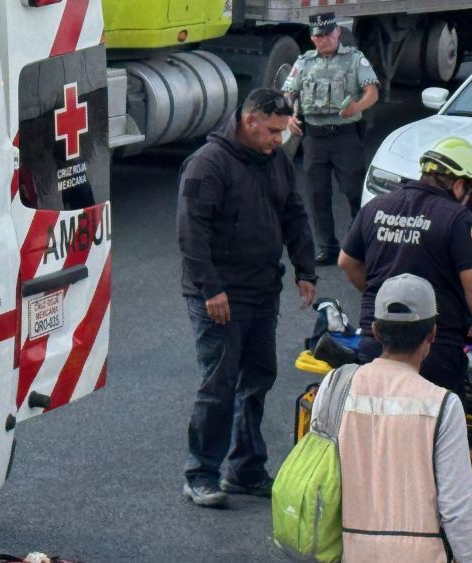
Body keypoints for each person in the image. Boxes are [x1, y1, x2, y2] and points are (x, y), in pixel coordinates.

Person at [177, 88, 318, 507]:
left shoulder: (275, 161)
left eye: (282, 131)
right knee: (219, 384)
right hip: (219, 294)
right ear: (250, 120)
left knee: (257, 379)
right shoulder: (208, 164)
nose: (279, 139)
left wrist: (305, 269)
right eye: (273, 131)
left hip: (262, 289)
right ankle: (200, 474)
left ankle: (245, 469)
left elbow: (293, 212)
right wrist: (211, 289)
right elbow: (191, 233)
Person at [311, 273, 472, 563]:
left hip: (345, 550)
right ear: (432, 334)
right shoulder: (442, 406)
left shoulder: (335, 384)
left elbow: (317, 475)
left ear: (375, 331)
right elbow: (455, 507)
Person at [338, 136, 472, 397]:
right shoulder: (458, 218)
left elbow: (346, 263)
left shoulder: (376, 207)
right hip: (435, 348)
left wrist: (384, 296)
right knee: (432, 430)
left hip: (376, 341)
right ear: (459, 184)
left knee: (376, 426)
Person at [282, 11, 380, 266]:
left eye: (328, 34)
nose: (324, 39)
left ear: (337, 32)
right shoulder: (303, 63)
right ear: (312, 38)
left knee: (354, 191)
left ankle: (360, 243)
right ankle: (327, 247)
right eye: (319, 36)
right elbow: (289, 94)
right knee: (317, 195)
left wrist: (357, 107)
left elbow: (372, 92)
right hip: (314, 138)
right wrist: (288, 117)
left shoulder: (354, 60)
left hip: (345, 137)